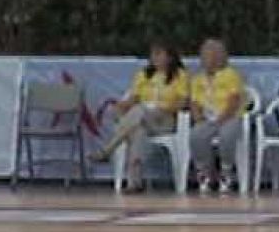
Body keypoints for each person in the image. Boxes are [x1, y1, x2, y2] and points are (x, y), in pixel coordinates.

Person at [91, 42, 190, 192]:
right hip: (142, 118)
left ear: (170, 57)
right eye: (152, 54)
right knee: (137, 130)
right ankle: (134, 183)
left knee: (139, 114)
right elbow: (133, 99)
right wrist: (120, 106)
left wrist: (162, 108)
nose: (154, 58)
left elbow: (183, 102)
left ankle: (108, 149)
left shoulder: (180, 76)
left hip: (165, 118)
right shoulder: (144, 75)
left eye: (159, 54)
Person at [188, 38, 247, 194]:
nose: (209, 59)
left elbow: (234, 100)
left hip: (229, 116)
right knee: (196, 135)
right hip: (207, 117)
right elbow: (194, 102)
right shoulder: (197, 79)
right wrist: (199, 117)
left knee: (227, 135)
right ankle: (204, 173)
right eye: (206, 55)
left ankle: (226, 172)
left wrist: (221, 119)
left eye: (213, 55)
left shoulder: (231, 75)